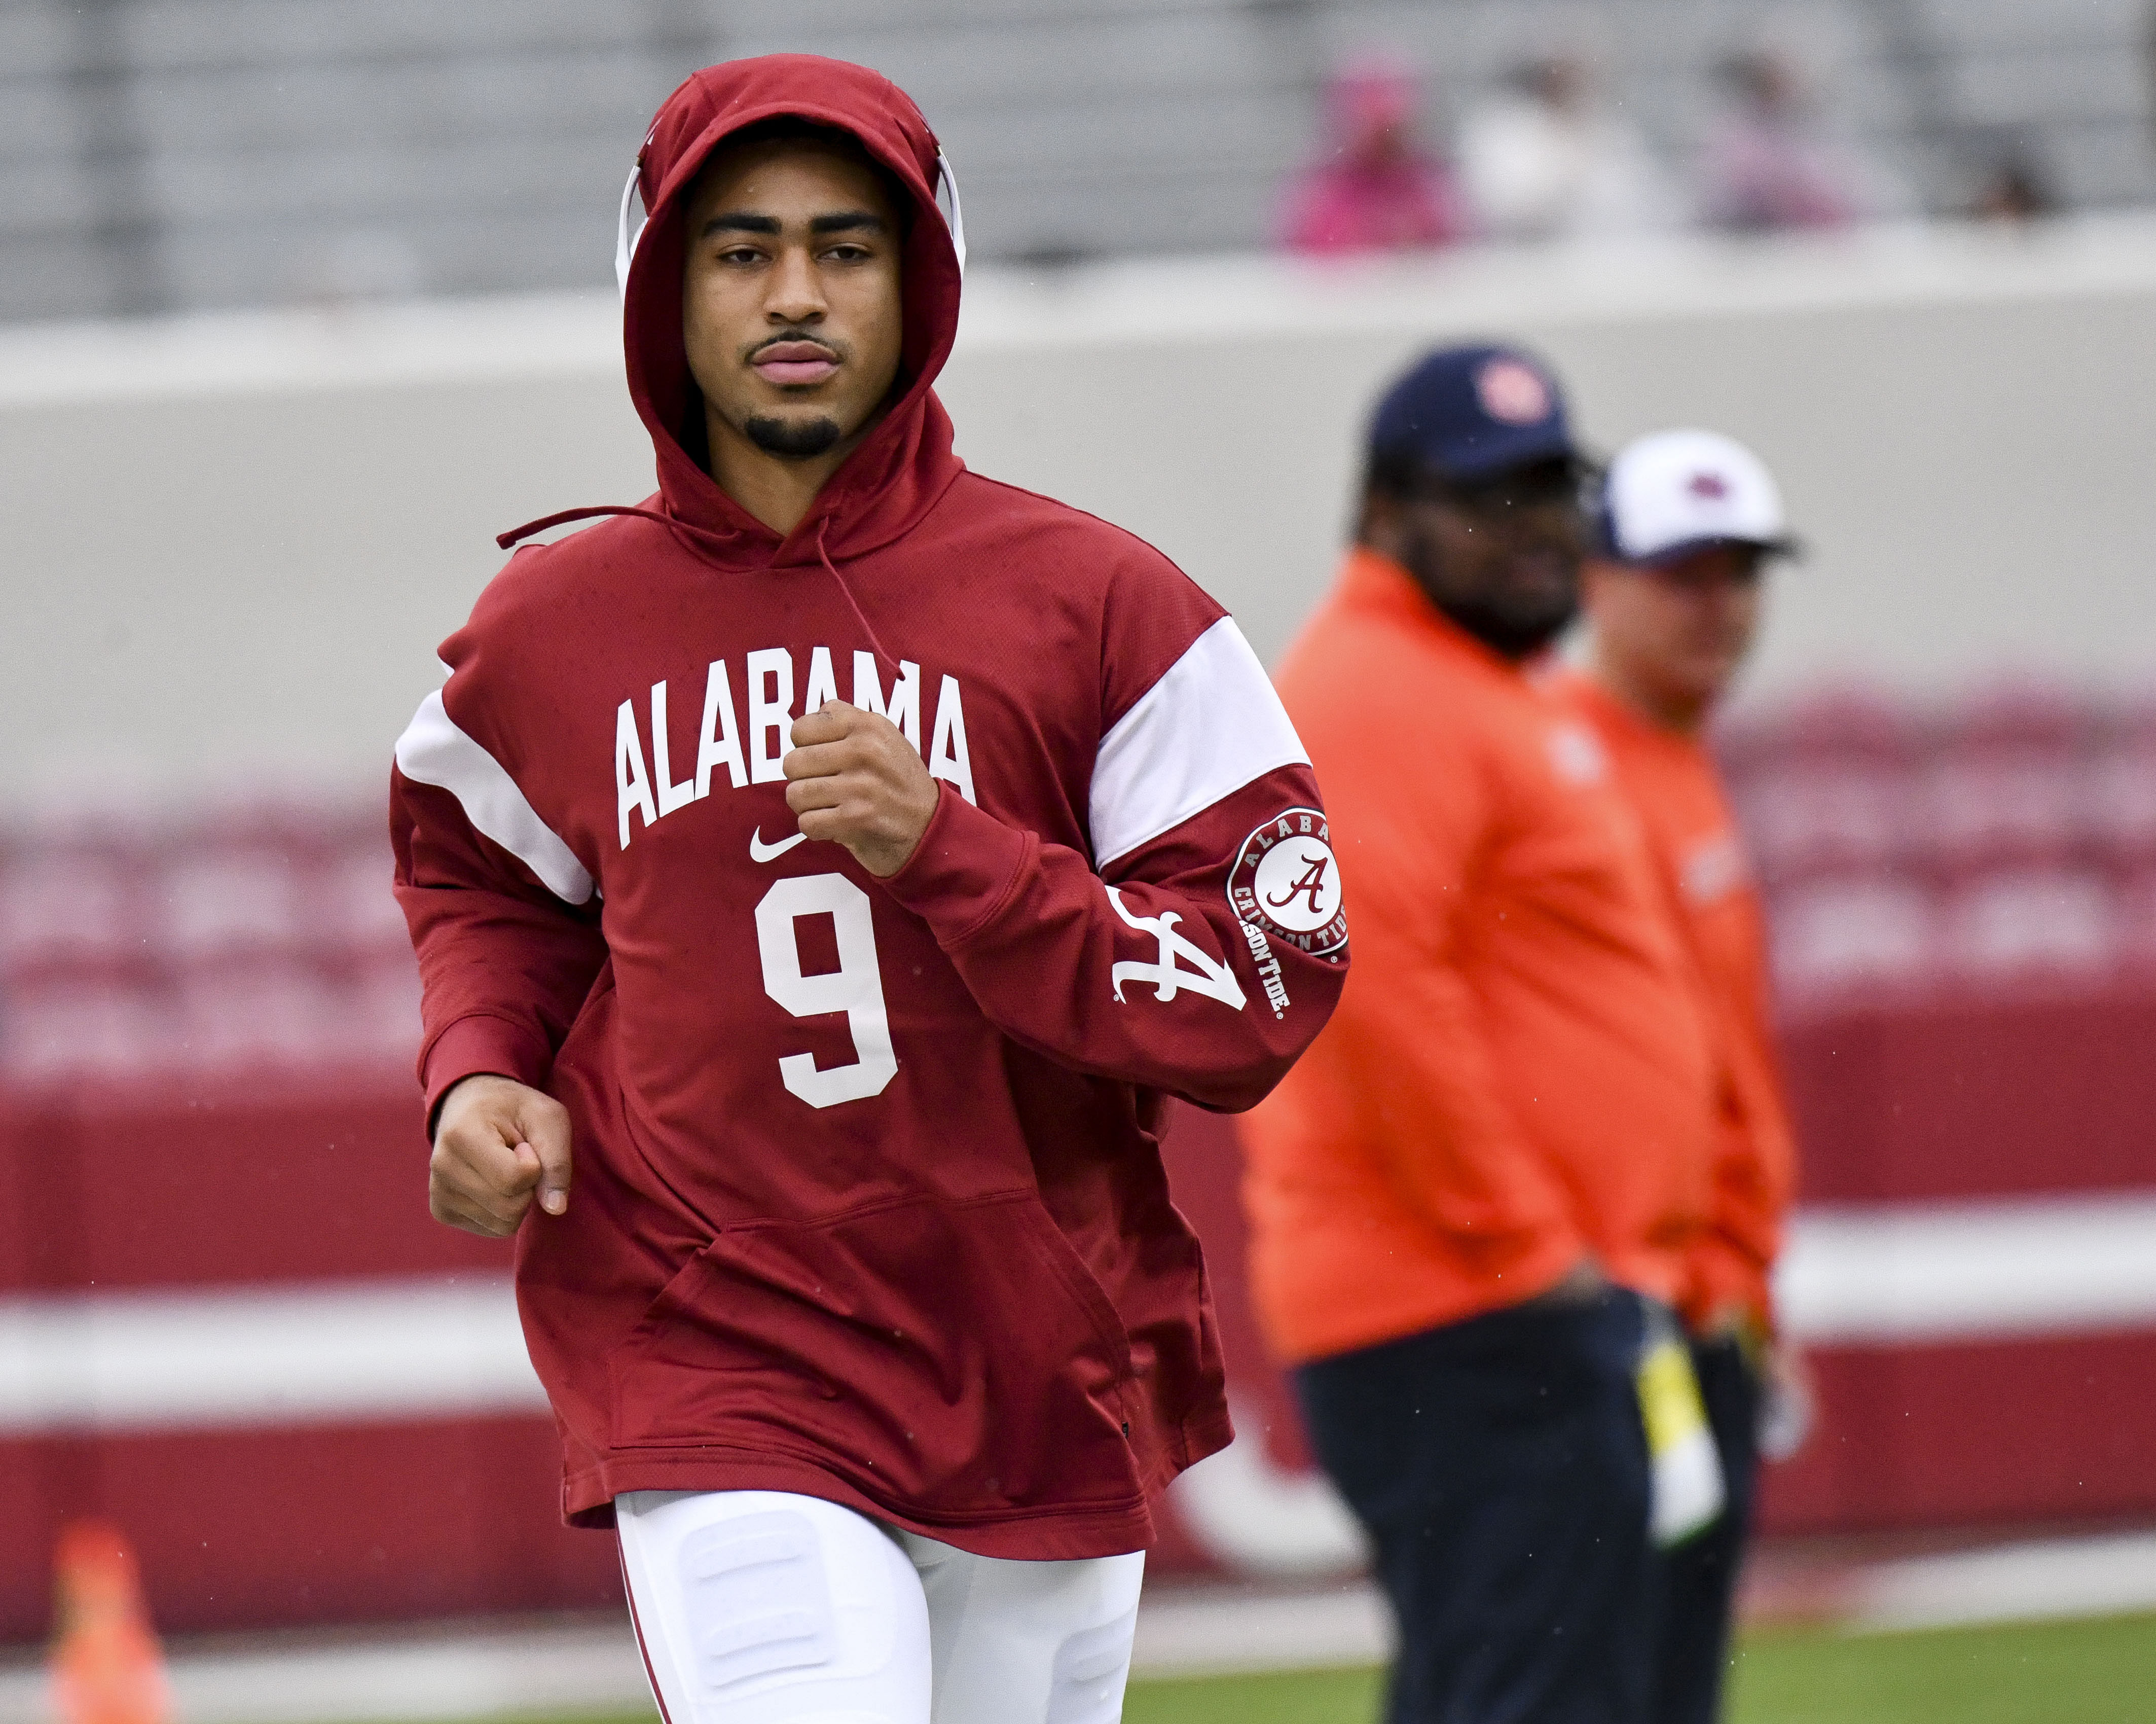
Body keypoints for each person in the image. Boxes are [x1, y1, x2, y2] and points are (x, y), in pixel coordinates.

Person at [390, 54, 1346, 1724]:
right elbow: (480, 875)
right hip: (712, 1344)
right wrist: (481, 1066)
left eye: (846, 247)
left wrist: (955, 855)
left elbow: (1264, 987)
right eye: (739, 249)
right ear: (657, 286)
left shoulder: (1108, 607)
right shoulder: (547, 631)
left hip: (1030, 1362)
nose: (793, 294)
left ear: (925, 283)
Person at [1239, 344, 1716, 1723]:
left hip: (1490, 1309)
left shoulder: (1457, 680)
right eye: (1488, 498)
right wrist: (1532, 1258)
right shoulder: (1378, 686)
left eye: (1551, 490)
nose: (1540, 530)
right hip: (1467, 1311)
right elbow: (1374, 996)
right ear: (1385, 510)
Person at [1565, 428, 1808, 1724]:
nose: (1716, 605)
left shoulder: (1671, 755)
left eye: (1738, 572)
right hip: (1629, 1313)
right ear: (1594, 580)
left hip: (1705, 1302)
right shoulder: (1570, 766)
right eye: (1682, 573)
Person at [1456, 53, 1679, 242]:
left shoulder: (1607, 129)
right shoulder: (1507, 128)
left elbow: (1643, 200)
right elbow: (1507, 207)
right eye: (1563, 74)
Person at [1279, 58, 1468, 255]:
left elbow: (1458, 255)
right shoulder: (1321, 194)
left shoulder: (1430, 187)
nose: (1383, 138)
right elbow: (1312, 262)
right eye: (1374, 125)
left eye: (1390, 127)